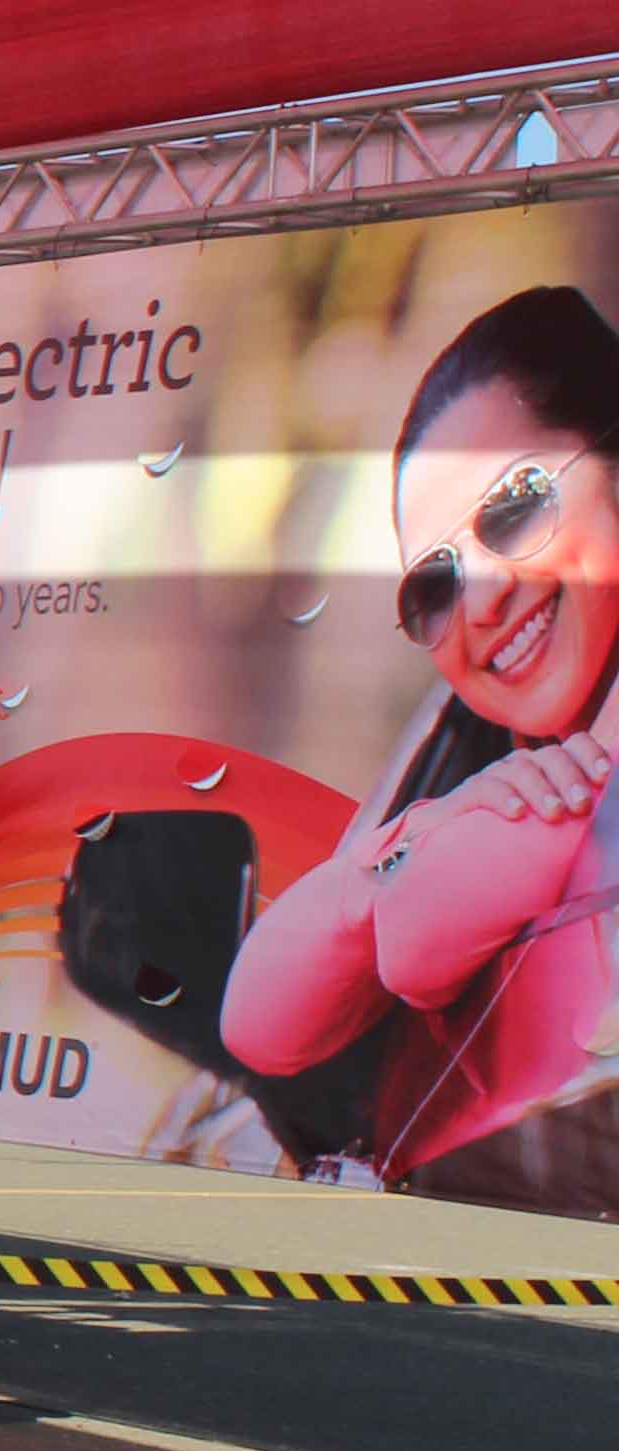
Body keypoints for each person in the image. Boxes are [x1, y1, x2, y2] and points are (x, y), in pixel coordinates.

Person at [227, 283, 619, 1211]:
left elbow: (415, 949)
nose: (479, 601)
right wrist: (417, 841)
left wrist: (414, 863)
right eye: (431, 588)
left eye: (517, 506)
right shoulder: (465, 755)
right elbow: (259, 1023)